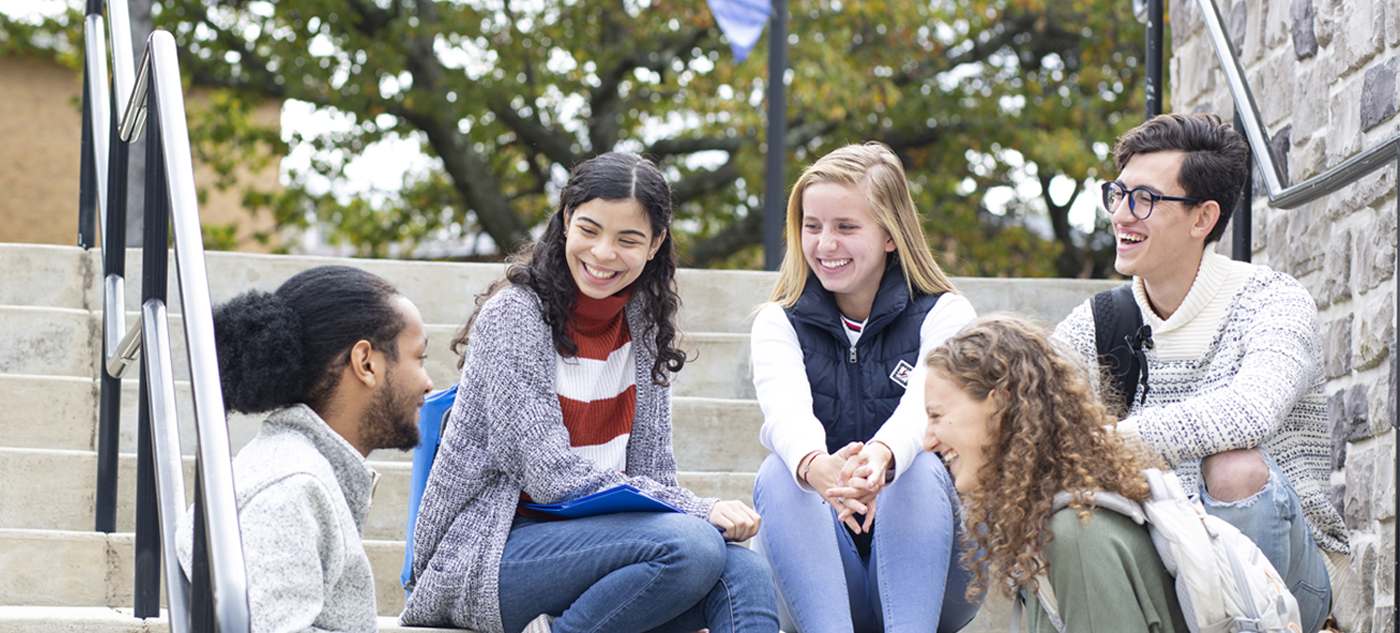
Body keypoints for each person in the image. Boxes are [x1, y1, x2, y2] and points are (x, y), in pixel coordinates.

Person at [400, 152, 777, 633]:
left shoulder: (642, 326)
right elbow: (550, 475)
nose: (602, 253)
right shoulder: (516, 317)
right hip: (492, 552)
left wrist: (691, 516)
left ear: (656, 243)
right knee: (692, 545)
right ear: (565, 221)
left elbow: (652, 473)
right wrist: (701, 511)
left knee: (745, 571)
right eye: (590, 229)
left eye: (629, 239)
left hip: (608, 548)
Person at [1052, 113, 1347, 632]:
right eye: (1117, 194)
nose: (1121, 214)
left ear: (1202, 218)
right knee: (1077, 525)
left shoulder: (1271, 301)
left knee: (1234, 467)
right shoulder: (1100, 323)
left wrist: (1104, 443)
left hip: (1279, 577)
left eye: (1144, 199)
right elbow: (1026, 408)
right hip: (1167, 557)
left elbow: (1249, 411)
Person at [750, 142, 978, 633]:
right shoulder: (778, 322)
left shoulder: (947, 314)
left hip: (933, 571)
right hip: (818, 576)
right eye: (813, 226)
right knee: (778, 474)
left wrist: (881, 459)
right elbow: (784, 413)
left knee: (915, 468)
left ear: (891, 235)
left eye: (846, 227)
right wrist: (819, 468)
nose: (825, 244)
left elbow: (925, 408)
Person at [177, 265, 436, 633]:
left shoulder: (299, 471)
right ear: (366, 363)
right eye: (419, 357)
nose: (428, 384)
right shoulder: (290, 489)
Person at [924, 314, 1189, 633]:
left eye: (936, 416)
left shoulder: (1075, 532)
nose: (928, 440)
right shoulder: (1053, 521)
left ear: (1000, 404)